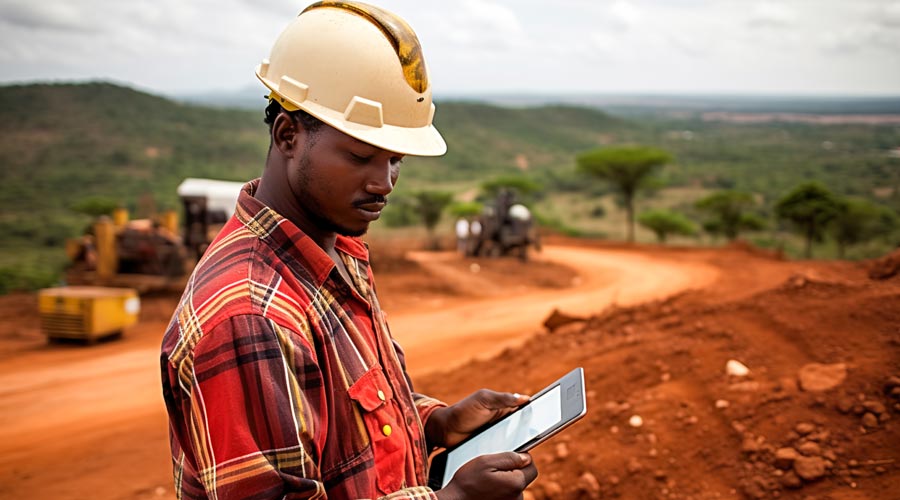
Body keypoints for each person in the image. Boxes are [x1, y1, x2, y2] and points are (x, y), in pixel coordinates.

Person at [160, 2, 538, 499]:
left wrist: (436, 424)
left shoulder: (337, 253)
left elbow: (343, 419)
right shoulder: (249, 318)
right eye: (361, 156)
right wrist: (453, 498)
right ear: (288, 135)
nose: (385, 182)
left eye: (396, 159)